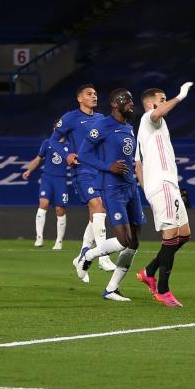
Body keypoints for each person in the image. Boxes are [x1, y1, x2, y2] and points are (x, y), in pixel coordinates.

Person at [72, 89, 145, 302]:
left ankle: (111, 289)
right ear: (115, 103)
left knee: (134, 243)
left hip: (131, 188)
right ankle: (87, 255)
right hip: (112, 188)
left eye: (132, 100)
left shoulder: (128, 127)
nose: (132, 104)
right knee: (124, 240)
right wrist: (107, 167)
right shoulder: (102, 126)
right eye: (127, 100)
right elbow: (83, 154)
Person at [133, 84, 195, 308]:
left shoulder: (150, 128)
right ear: (151, 104)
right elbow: (159, 111)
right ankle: (163, 290)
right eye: (163, 98)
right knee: (170, 236)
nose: (166, 102)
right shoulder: (149, 118)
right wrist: (180, 96)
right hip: (162, 184)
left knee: (184, 234)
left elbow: (138, 164)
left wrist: (146, 189)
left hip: (165, 184)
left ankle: (149, 271)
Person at [52, 84, 117, 272]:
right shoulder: (70, 118)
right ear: (80, 98)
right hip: (82, 170)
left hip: (100, 170)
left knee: (98, 212)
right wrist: (67, 155)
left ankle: (82, 254)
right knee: (98, 206)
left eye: (96, 94)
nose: (94, 96)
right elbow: (53, 140)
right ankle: (103, 257)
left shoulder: (101, 119)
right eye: (89, 94)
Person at [22, 118, 69, 249]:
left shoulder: (69, 145)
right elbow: (38, 158)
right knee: (43, 203)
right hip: (47, 178)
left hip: (61, 179)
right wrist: (29, 170)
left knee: (60, 209)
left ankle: (59, 241)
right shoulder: (47, 143)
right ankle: (39, 237)